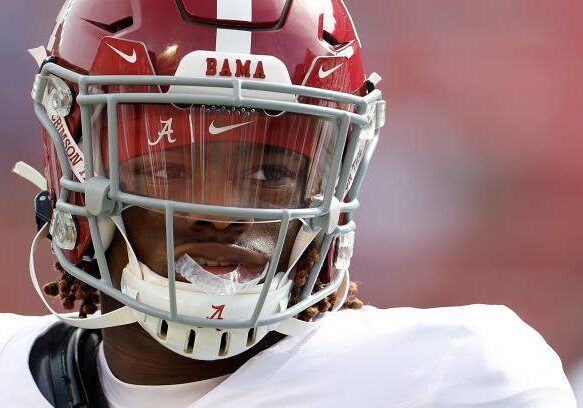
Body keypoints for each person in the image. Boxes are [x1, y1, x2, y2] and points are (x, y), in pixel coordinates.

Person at [1, 0, 576, 406]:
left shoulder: (460, 376)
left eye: (272, 172)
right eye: (167, 168)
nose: (222, 210)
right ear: (72, 166)